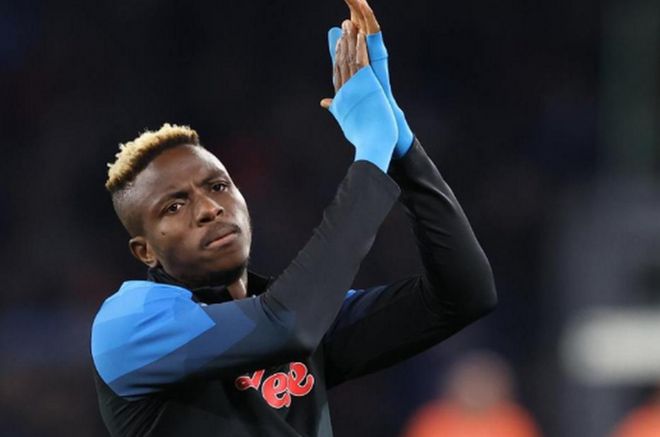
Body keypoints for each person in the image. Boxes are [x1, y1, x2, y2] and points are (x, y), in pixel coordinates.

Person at [90, 0, 497, 435]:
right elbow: (288, 325)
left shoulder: (292, 310)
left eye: (218, 186)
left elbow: (465, 294)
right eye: (174, 206)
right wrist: (370, 153)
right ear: (145, 251)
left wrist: (401, 145)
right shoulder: (129, 324)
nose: (209, 208)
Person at [403, 350, 541, 437]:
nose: (477, 391)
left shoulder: (514, 422)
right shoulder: (432, 420)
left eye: (485, 383)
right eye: (470, 382)